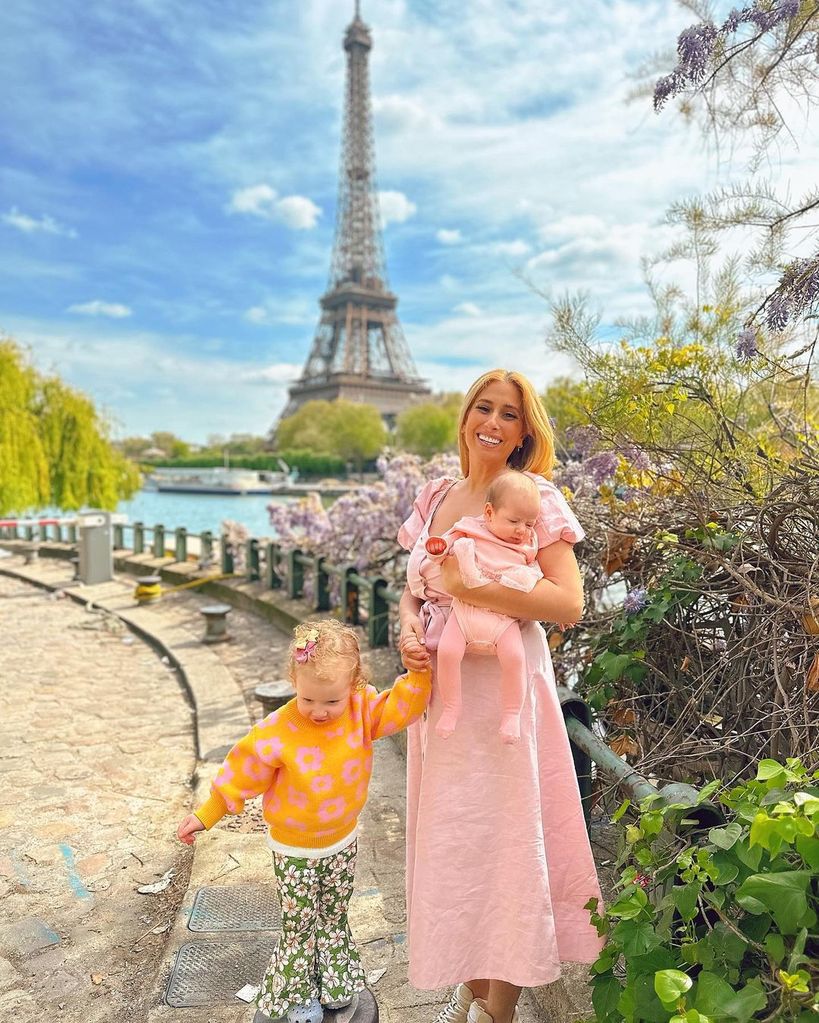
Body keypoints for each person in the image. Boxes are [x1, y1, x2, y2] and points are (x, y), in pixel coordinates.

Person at [397, 369, 604, 1023]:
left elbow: (566, 602)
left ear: (524, 430)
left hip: (504, 705)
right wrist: (406, 625)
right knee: (459, 847)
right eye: (482, 408)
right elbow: (410, 584)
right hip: (444, 698)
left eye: (507, 414)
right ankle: (473, 985)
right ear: (463, 417)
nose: (491, 421)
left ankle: (497, 1012)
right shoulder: (435, 494)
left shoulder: (532, 495)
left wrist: (472, 590)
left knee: (508, 847)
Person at [177, 619, 431, 1023]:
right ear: (293, 680)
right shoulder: (277, 731)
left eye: (331, 702)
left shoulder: (362, 710)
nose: (318, 711)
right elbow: (240, 776)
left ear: (354, 686)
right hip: (294, 850)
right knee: (298, 926)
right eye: (308, 699)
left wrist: (418, 673)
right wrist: (206, 815)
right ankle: (291, 999)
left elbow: (402, 708)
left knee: (333, 917)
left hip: (343, 841)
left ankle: (336, 985)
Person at [424, 470, 543, 743]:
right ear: (489, 513)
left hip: (502, 619)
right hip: (466, 612)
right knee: (448, 652)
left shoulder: (526, 547)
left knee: (515, 658)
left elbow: (537, 577)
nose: (521, 530)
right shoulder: (471, 528)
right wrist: (437, 548)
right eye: (513, 520)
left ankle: (512, 714)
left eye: (529, 524)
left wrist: (555, 614)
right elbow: (445, 546)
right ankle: (452, 708)